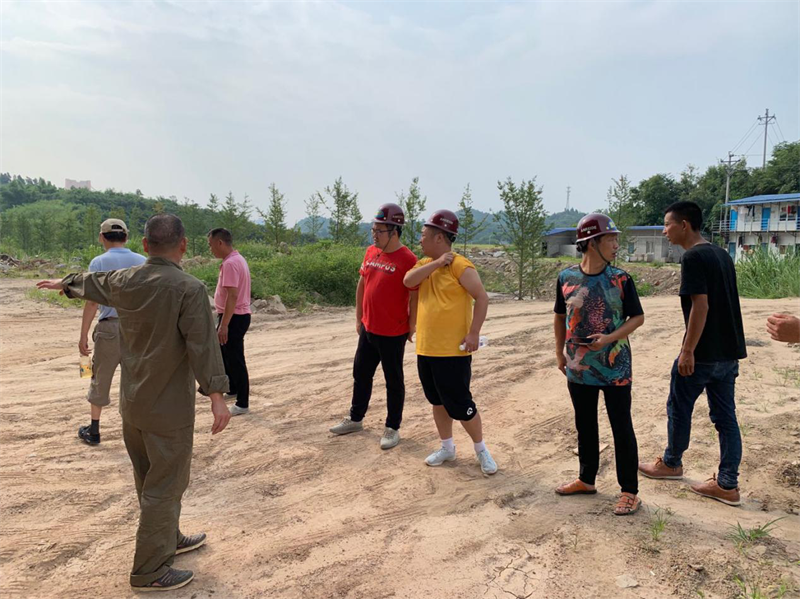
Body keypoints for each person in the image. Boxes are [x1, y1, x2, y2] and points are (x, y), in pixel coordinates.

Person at [38, 213, 231, 591]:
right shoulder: (189, 288)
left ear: (144, 245)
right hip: (168, 410)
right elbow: (203, 346)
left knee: (149, 480)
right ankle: (149, 571)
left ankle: (168, 538)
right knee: (166, 486)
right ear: (183, 245)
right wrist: (217, 397)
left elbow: (91, 283)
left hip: (133, 404)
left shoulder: (125, 280)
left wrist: (64, 283)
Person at [639, 201, 747, 507]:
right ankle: (728, 484)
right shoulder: (721, 254)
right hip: (728, 354)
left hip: (703, 355)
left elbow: (702, 305)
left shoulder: (693, 257)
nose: (664, 231)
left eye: (667, 224)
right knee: (726, 418)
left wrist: (688, 351)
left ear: (684, 225)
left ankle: (671, 464)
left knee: (679, 407)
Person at [552, 214, 645, 516]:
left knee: (621, 426)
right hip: (578, 366)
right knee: (585, 423)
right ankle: (586, 479)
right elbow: (559, 317)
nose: (617, 245)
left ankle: (629, 491)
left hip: (615, 368)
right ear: (592, 243)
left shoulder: (621, 279)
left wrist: (609, 339)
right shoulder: (566, 278)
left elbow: (637, 318)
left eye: (616, 239)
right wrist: (559, 352)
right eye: (611, 239)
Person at [403, 209, 497, 475]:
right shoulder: (424, 264)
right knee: (437, 401)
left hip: (453, 351)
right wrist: (436, 263)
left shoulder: (460, 266)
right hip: (427, 349)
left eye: (424, 235)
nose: (420, 240)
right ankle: (447, 447)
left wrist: (474, 332)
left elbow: (482, 297)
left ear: (439, 237)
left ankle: (481, 449)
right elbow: (407, 281)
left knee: (461, 405)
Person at [329, 203, 419, 449]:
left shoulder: (408, 259)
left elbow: (414, 296)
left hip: (393, 332)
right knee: (361, 374)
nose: (374, 235)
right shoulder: (371, 252)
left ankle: (392, 427)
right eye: (373, 230)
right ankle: (355, 418)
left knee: (393, 381)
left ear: (394, 231)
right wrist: (359, 317)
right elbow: (362, 283)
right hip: (368, 327)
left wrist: (412, 325)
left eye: (379, 231)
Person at [76, 218, 146, 445]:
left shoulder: (98, 262)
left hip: (109, 328)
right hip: (137, 329)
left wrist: (83, 335)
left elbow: (92, 302)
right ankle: (142, 431)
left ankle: (94, 430)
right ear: (126, 237)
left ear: (101, 237)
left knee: (101, 377)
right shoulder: (143, 261)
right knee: (136, 379)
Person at [208, 228, 252, 416]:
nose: (210, 249)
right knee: (225, 353)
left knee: (235, 358)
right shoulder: (237, 259)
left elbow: (232, 296)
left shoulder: (230, 264)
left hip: (234, 317)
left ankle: (242, 403)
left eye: (210, 245)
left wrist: (224, 324)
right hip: (236, 315)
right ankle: (232, 387)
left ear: (220, 243)